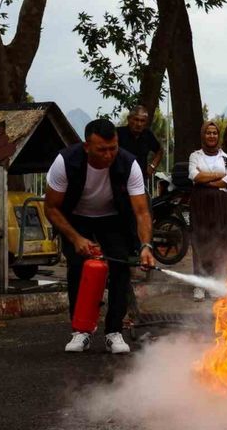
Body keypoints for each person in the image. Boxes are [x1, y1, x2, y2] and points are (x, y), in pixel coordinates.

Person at [45, 119, 155, 354]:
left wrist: (146, 245)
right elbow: (51, 208)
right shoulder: (65, 161)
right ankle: (81, 330)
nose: (108, 155)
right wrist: (76, 238)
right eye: (102, 149)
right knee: (78, 267)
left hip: (113, 218)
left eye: (113, 148)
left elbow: (141, 212)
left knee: (121, 266)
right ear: (87, 147)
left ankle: (114, 331)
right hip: (75, 218)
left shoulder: (129, 163)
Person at [188, 121, 227, 301]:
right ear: (203, 135)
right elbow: (194, 176)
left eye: (214, 133)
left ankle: (215, 282)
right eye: (208, 133)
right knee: (200, 241)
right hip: (200, 203)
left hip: (221, 204)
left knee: (219, 241)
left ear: (218, 136)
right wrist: (218, 175)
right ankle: (200, 285)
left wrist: (206, 180)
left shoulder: (226, 158)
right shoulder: (195, 156)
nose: (211, 136)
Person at [117, 105, 163, 178]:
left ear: (146, 122)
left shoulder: (148, 135)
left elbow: (159, 151)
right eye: (136, 119)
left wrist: (152, 166)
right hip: (120, 178)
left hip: (140, 178)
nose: (139, 124)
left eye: (142, 121)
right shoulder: (118, 133)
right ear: (129, 119)